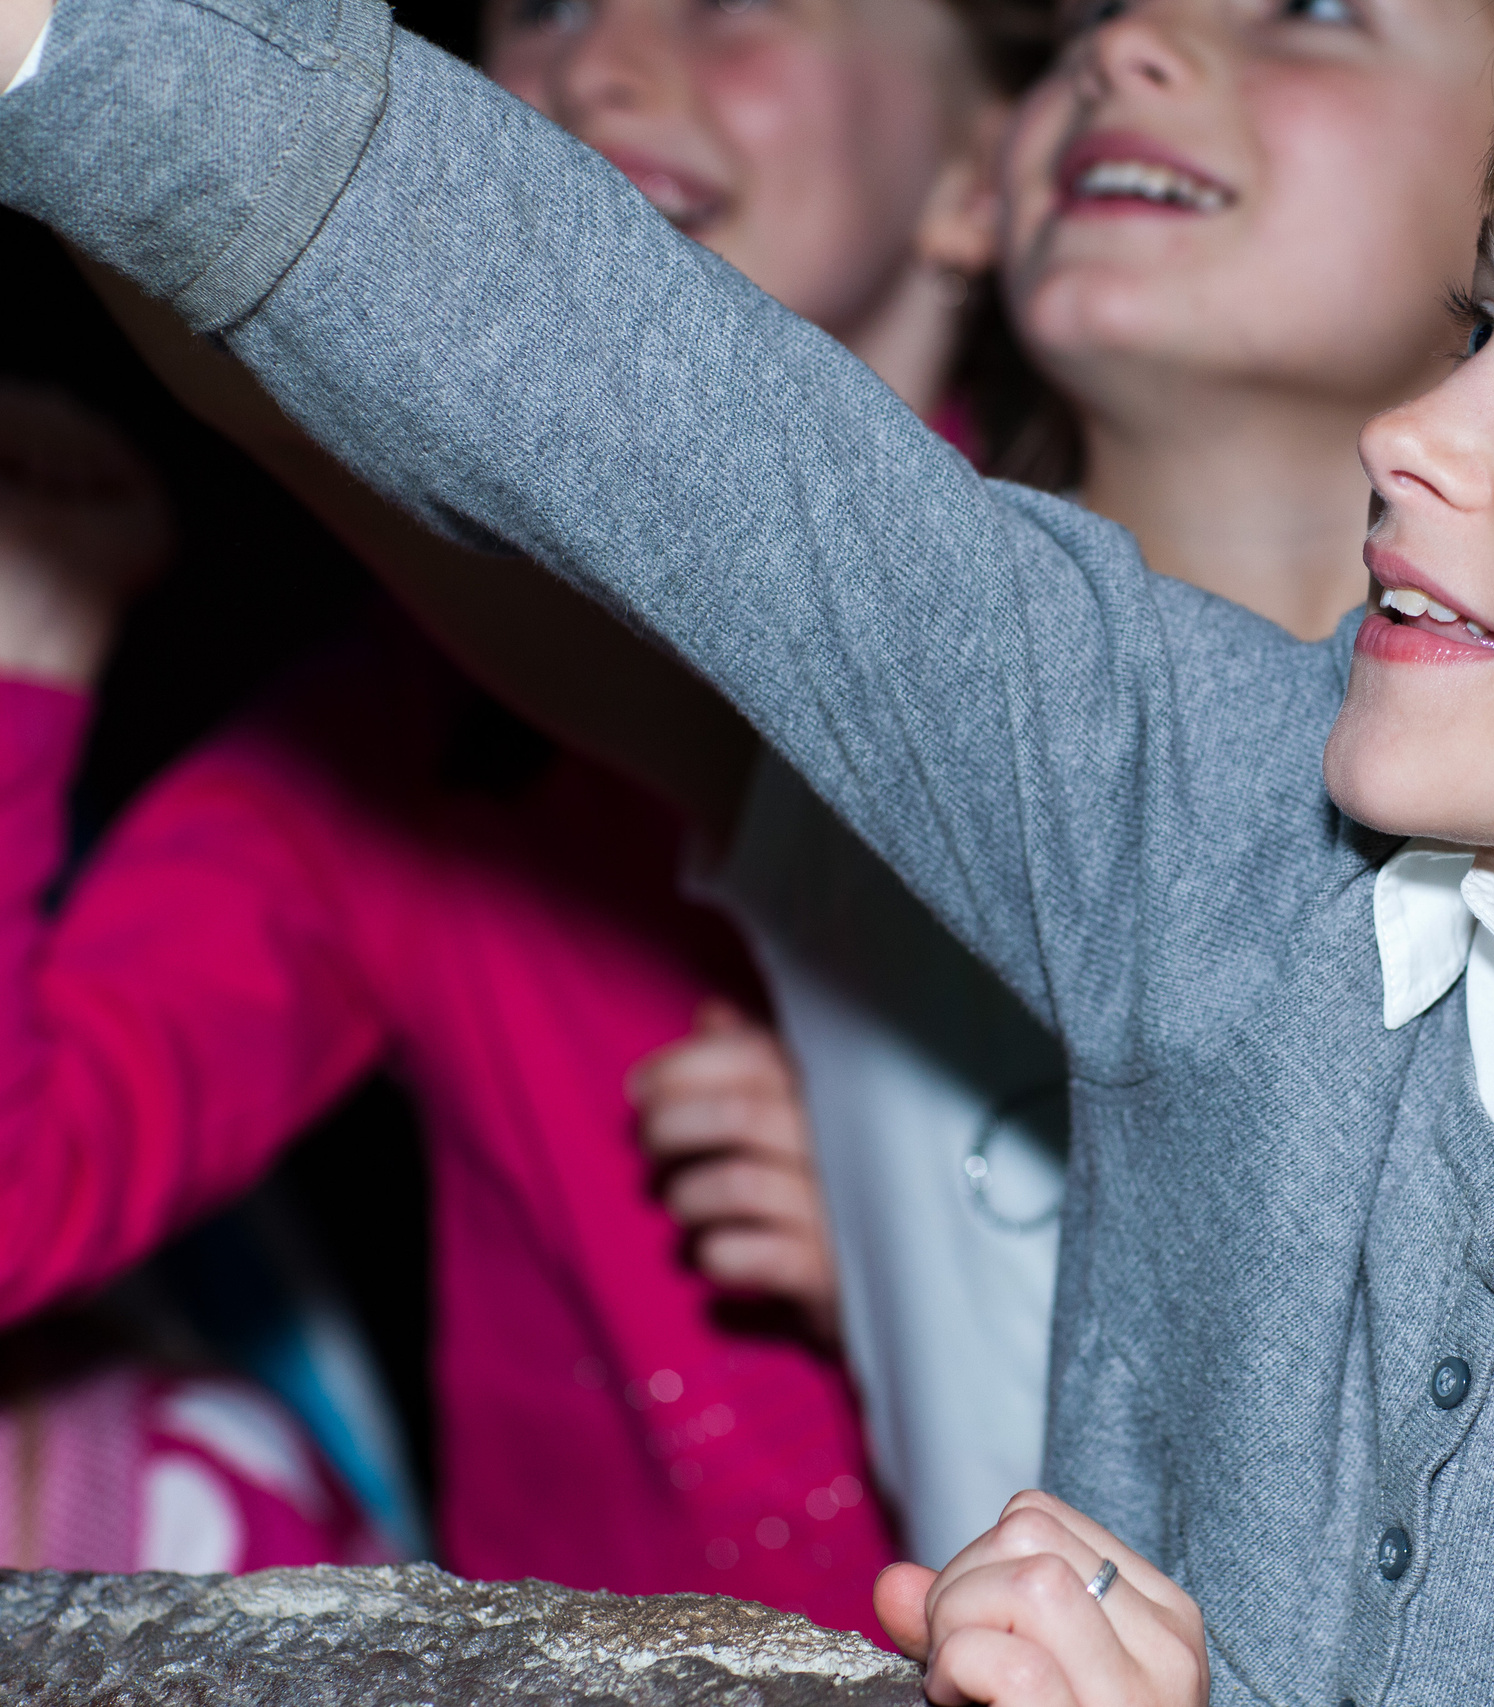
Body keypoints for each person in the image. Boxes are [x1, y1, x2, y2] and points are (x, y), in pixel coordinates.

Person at [0, 0, 1494, 1697]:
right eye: (1481, 318)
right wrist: (91, 49)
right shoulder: (1232, 846)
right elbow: (704, 451)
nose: (1427, 425)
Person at [87, 0, 1494, 1569]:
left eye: (1312, 11)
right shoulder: (846, 736)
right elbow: (389, 367)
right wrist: (84, 67)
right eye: (1098, 17)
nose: (1131, 48)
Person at [0, 0, 1042, 1625]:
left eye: (728, 4)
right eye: (540, 6)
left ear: (995, 165)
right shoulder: (393, 760)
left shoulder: (1121, 689)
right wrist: (20, 661)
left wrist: (957, 1234)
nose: (600, 61)